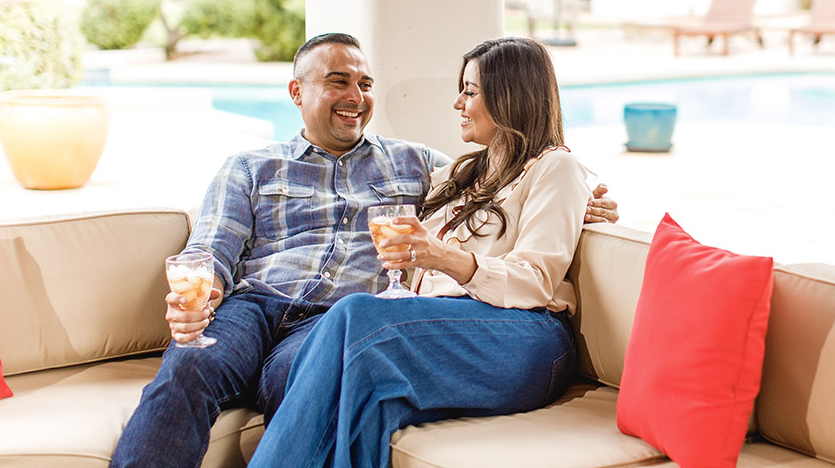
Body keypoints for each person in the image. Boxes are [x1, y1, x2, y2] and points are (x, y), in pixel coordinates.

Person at [110, 33, 616, 468]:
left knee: (311, 373)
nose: (356, 95)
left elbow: (532, 192)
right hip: (255, 304)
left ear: (507, 96)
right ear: (297, 91)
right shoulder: (252, 166)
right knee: (190, 364)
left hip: (333, 321)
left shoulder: (418, 165)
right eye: (337, 81)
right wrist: (195, 299)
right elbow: (210, 250)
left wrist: (580, 204)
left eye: (365, 84)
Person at [245, 36, 593, 468]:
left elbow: (536, 282)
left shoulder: (555, 167)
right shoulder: (461, 174)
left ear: (509, 96)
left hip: (524, 335)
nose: (457, 103)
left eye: (470, 91)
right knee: (370, 403)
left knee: (355, 314)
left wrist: (442, 256)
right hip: (443, 330)